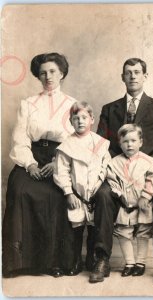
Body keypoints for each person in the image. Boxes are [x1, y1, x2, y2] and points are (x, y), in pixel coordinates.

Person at [89, 58, 153, 283]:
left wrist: (146, 163)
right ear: (122, 77)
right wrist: (116, 166)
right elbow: (100, 144)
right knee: (102, 194)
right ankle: (102, 258)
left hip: (149, 172)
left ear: (145, 76)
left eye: (137, 72)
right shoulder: (110, 109)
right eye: (128, 72)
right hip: (118, 173)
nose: (133, 76)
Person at [2, 52, 78, 278]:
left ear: (61, 73)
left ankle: (54, 262)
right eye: (43, 73)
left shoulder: (72, 104)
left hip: (62, 156)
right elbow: (20, 138)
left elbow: (77, 139)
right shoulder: (28, 104)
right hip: (33, 155)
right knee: (20, 189)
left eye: (53, 71)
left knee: (55, 194)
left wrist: (58, 162)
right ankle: (19, 263)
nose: (48, 76)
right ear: (38, 76)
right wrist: (31, 164)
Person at [53, 101, 111, 275]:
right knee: (75, 228)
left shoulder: (100, 143)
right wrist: (69, 192)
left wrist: (98, 184)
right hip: (76, 193)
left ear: (92, 119)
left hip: (93, 191)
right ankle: (75, 260)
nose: (80, 121)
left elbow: (104, 165)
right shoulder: (67, 145)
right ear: (71, 121)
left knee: (94, 227)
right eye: (76, 118)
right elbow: (61, 171)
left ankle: (91, 259)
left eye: (84, 117)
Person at [106, 124, 153, 278]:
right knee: (123, 232)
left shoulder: (149, 161)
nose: (129, 144)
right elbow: (111, 180)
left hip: (143, 204)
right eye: (125, 141)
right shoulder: (114, 162)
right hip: (125, 205)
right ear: (119, 143)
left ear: (141, 142)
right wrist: (118, 193)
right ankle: (129, 263)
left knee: (143, 232)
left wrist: (146, 195)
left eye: (133, 141)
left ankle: (141, 263)